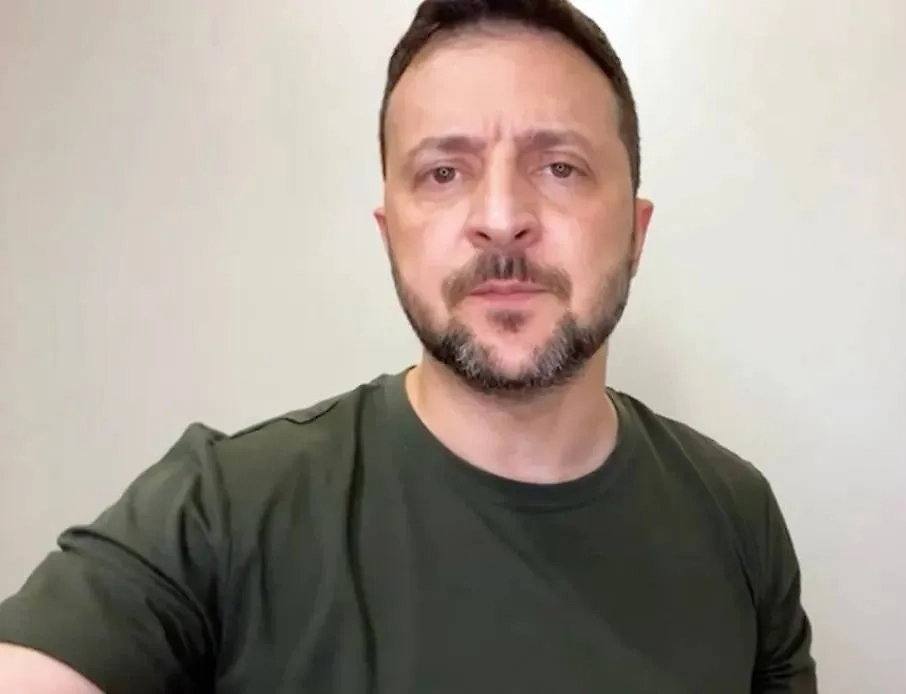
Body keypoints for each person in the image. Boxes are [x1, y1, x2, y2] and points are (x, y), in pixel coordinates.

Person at [0, 1, 817, 692]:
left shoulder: (737, 518)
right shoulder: (218, 515)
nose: (501, 217)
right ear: (391, 235)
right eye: (443, 173)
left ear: (636, 233)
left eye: (561, 167)